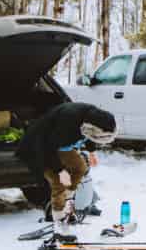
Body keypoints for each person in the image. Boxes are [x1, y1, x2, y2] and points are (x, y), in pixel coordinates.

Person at [15, 101, 117, 240]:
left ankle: (67, 204)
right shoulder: (68, 122)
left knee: (80, 167)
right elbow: (49, 149)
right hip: (40, 148)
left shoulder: (93, 116)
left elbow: (89, 134)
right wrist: (60, 171)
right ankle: (59, 224)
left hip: (59, 146)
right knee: (58, 182)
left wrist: (92, 151)